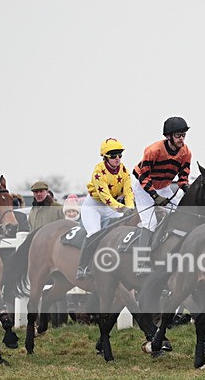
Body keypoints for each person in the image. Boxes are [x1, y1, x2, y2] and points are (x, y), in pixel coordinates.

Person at [77, 138, 135, 279]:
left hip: (112, 207)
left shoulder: (124, 171)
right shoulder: (99, 171)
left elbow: (128, 192)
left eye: (120, 155)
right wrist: (122, 209)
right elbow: (105, 197)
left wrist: (130, 207)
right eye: (114, 156)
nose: (117, 158)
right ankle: (82, 267)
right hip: (94, 206)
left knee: (128, 225)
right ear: (106, 157)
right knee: (94, 232)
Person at [132, 117, 191, 232]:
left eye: (183, 135)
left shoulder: (186, 153)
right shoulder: (153, 150)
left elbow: (183, 177)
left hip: (164, 188)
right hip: (144, 189)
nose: (181, 138)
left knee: (180, 215)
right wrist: (155, 196)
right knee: (150, 224)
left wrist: (187, 188)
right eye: (178, 135)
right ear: (168, 136)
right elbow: (143, 177)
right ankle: (144, 243)